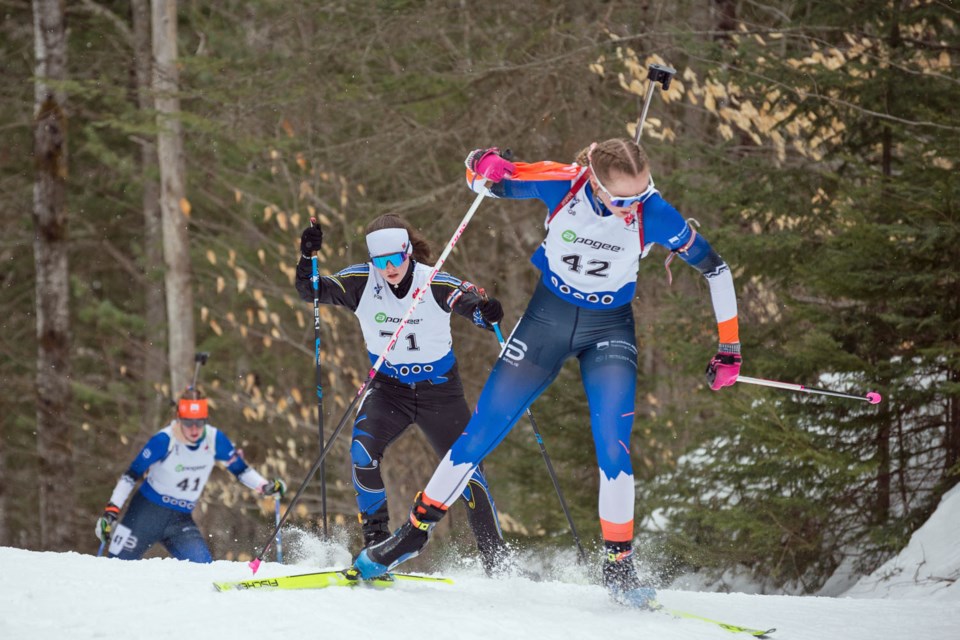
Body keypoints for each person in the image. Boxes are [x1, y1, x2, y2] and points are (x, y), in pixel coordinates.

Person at [354, 139, 742, 608]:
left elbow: (716, 269)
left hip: (609, 332)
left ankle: (619, 566)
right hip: (544, 327)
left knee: (614, 447)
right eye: (622, 199)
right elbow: (485, 180)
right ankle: (412, 536)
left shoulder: (653, 212)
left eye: (641, 193)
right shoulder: (563, 183)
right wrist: (482, 165)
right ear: (595, 183)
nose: (631, 208)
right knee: (478, 435)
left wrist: (729, 348)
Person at [294, 213, 509, 574]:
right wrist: (307, 256)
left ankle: (496, 560)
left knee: (468, 470)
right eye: (381, 261)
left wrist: (486, 313)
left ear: (409, 252)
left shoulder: (433, 281)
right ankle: (377, 547)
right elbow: (310, 290)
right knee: (362, 453)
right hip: (388, 389)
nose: (389, 268)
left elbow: (470, 305)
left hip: (439, 392)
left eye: (396, 258)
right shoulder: (361, 282)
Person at [94, 388, 286, 562]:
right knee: (116, 566)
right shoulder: (164, 440)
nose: (194, 429)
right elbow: (131, 475)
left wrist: (264, 486)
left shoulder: (214, 439)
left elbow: (240, 470)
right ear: (179, 419)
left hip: (180, 519)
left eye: (199, 422)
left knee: (203, 570)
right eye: (188, 423)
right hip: (145, 514)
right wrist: (111, 511)